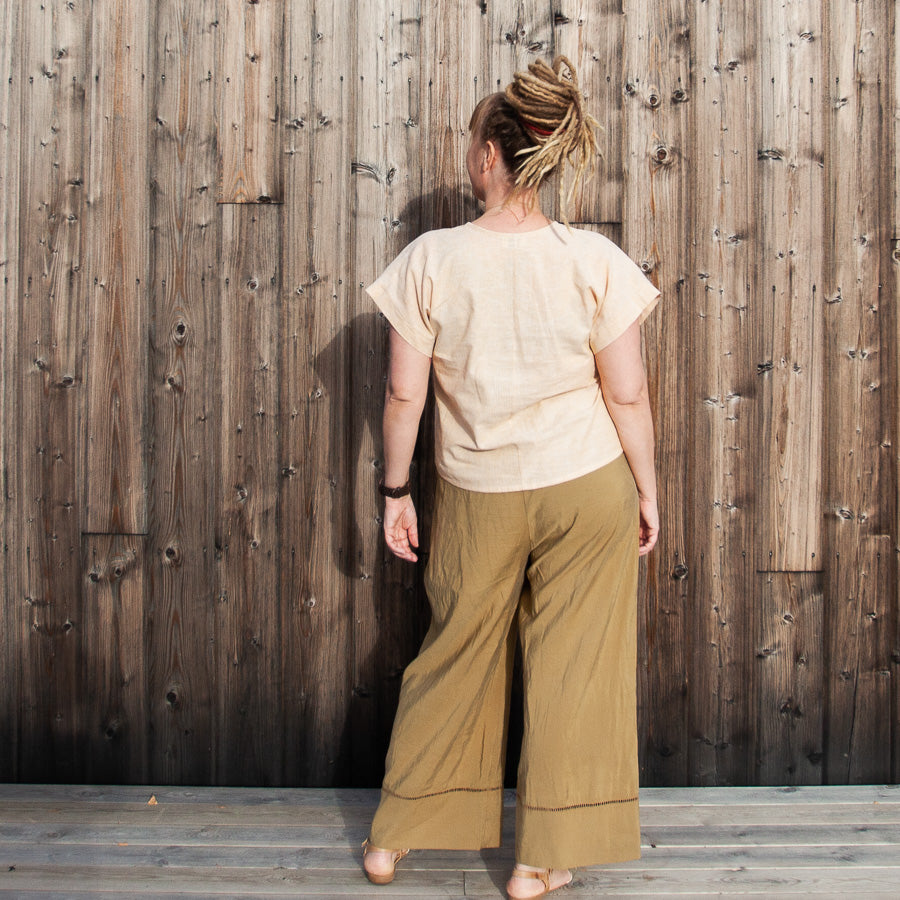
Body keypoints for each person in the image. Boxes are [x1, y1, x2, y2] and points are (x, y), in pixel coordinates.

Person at [360, 56, 660, 900]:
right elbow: (627, 394)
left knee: (453, 652)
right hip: (587, 481)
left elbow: (402, 394)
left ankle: (393, 842)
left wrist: (395, 493)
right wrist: (646, 490)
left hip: (476, 491)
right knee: (574, 667)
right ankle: (538, 864)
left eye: (469, 141)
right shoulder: (592, 258)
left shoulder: (430, 259)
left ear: (490, 156)